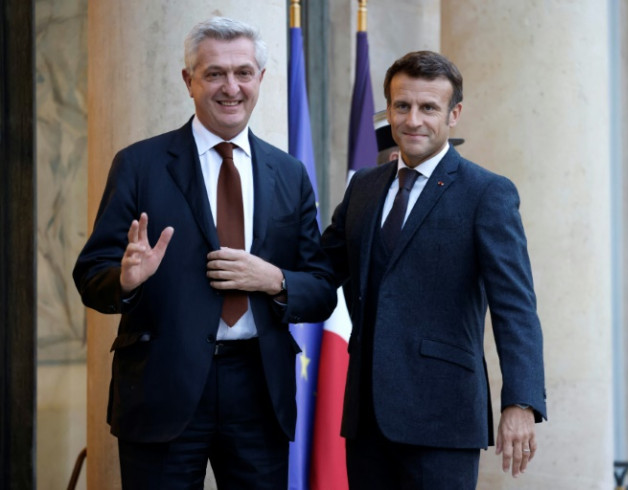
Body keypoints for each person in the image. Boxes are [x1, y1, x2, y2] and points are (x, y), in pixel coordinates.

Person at [73, 17, 336, 489]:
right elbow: (92, 274)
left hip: (258, 391)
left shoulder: (289, 173)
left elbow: (320, 290)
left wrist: (273, 279)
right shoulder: (139, 165)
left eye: (243, 72)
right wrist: (126, 280)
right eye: (214, 73)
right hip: (162, 388)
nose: (230, 87)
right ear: (188, 81)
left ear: (259, 79)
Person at [321, 50, 546, 489]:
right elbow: (321, 268)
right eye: (402, 106)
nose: (413, 120)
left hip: (444, 419)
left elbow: (515, 306)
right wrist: (271, 279)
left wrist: (520, 403)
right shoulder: (363, 188)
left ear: (454, 113)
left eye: (429, 108)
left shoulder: (487, 193)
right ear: (389, 110)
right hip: (367, 418)